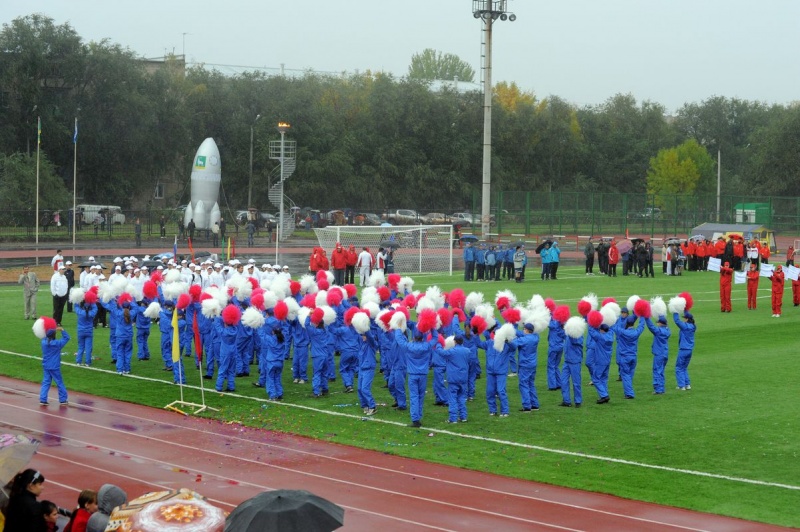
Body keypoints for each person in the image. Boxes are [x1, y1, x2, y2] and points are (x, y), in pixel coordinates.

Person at [39, 322, 70, 405]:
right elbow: (67, 338)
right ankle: (63, 399)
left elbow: (45, 337)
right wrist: (62, 330)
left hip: (46, 365)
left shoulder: (43, 342)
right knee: (59, 382)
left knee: (46, 382)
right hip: (54, 366)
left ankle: (43, 399)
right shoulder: (57, 344)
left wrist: (50, 330)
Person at [644, 315, 671, 395]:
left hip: (659, 354)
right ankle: (661, 388)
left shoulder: (659, 331)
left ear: (661, 323)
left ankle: (658, 389)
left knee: (657, 371)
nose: (657, 324)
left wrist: (646, 317)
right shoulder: (668, 330)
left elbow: (651, 326)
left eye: (658, 322)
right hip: (665, 353)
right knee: (661, 371)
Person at [673, 311, 696, 391]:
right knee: (684, 367)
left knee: (679, 367)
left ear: (687, 319)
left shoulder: (685, 326)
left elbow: (677, 321)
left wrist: (675, 311)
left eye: (684, 318)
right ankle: (687, 384)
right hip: (690, 350)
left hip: (683, 349)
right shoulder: (693, 326)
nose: (683, 320)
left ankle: (681, 386)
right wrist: (685, 308)